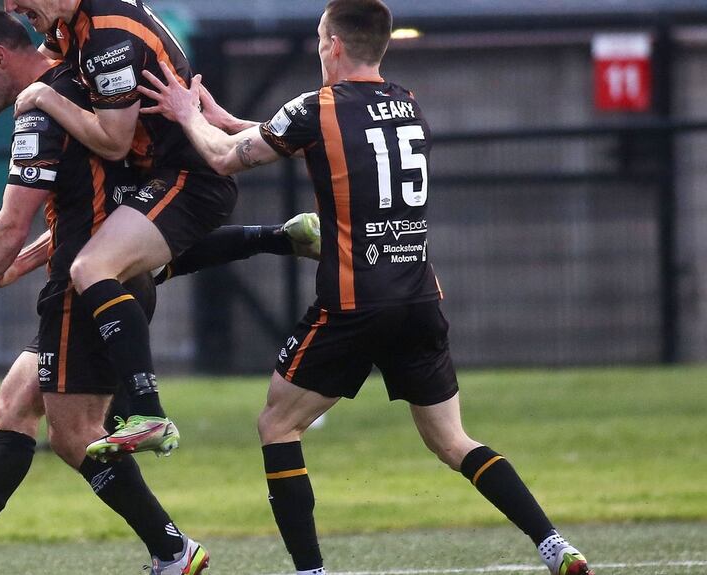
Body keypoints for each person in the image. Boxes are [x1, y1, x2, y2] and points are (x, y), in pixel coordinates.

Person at [137, 1, 595, 575]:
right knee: (453, 441)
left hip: (355, 302)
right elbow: (295, 136)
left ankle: (311, 570)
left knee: (278, 424)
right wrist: (225, 116)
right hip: (419, 297)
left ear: (332, 45)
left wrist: (185, 114)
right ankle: (555, 546)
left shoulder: (315, 106)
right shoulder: (408, 104)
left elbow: (227, 161)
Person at [0, 8, 321, 575]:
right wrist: (25, 259)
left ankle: (170, 545)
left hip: (81, 288)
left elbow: (11, 221)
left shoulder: (45, 105)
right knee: (16, 401)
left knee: (74, 436)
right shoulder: (78, 71)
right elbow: (92, 203)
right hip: (101, 271)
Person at [2, 0, 241, 461]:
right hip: (160, 178)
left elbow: (113, 143)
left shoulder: (108, 34)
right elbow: (55, 64)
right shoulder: (71, 25)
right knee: (119, 268)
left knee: (93, 267)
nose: (11, 6)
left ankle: (147, 412)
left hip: (191, 180)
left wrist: (42, 97)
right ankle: (282, 236)